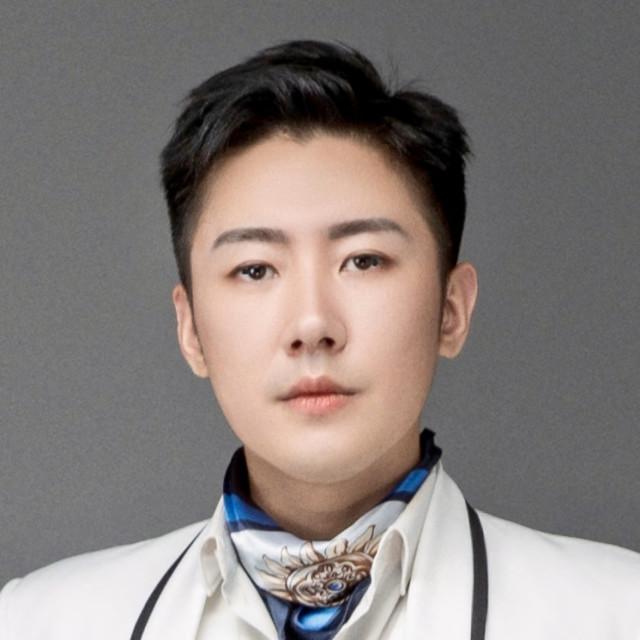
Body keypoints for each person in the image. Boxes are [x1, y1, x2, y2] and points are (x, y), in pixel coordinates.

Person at [1, 40, 639, 640]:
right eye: (255, 269)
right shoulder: (38, 623)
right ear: (190, 328)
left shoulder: (617, 613)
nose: (312, 324)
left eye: (363, 261)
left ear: (451, 309)